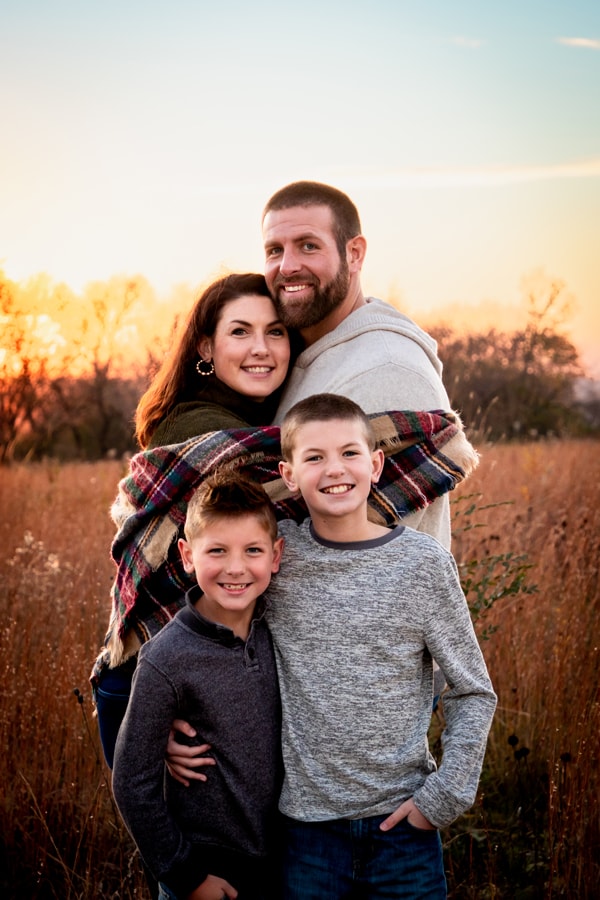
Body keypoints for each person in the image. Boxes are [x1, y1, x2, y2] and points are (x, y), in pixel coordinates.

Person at [265, 393, 497, 899]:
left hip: (404, 830)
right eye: (314, 457)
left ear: (375, 465)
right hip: (306, 833)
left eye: (350, 453)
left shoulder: (422, 565)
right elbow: (214, 626)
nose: (334, 470)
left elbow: (472, 692)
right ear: (288, 474)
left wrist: (443, 798)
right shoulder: (275, 560)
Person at [93, 272, 292, 769]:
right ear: (206, 346)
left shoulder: (250, 421)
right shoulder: (207, 432)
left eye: (276, 332)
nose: (260, 348)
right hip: (152, 686)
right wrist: (152, 716)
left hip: (168, 676)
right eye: (240, 332)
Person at [112, 471, 285, 900]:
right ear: (187, 555)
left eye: (253, 551)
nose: (236, 568)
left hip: (284, 860)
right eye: (217, 551)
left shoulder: (279, 633)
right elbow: (133, 782)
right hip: (205, 865)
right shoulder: (166, 659)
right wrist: (186, 876)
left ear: (276, 555)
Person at [262, 180, 453, 549]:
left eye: (308, 246)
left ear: (354, 253)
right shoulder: (295, 354)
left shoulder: (387, 369)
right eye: (274, 250)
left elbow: (372, 551)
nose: (287, 266)